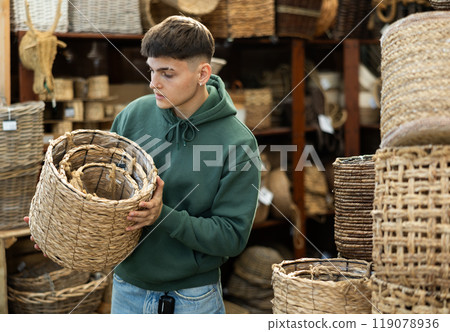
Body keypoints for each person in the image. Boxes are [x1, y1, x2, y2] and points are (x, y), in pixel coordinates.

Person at [25, 15, 260, 314]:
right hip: (125, 290)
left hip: (192, 298)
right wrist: (55, 221)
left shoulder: (238, 144)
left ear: (203, 74)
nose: (153, 83)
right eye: (151, 70)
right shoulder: (132, 115)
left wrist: (163, 215)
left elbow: (231, 237)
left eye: (167, 73)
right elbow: (102, 194)